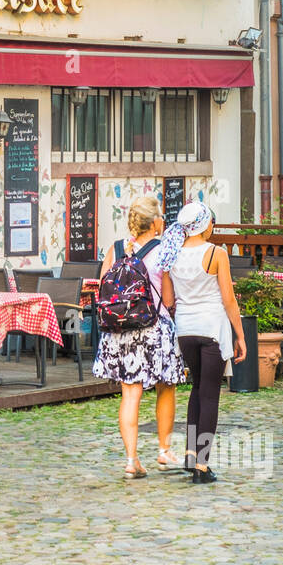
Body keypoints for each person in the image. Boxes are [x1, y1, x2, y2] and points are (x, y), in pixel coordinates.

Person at [93, 196, 185, 479]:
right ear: (156, 223)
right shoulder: (162, 252)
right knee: (166, 387)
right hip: (154, 329)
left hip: (119, 333)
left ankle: (132, 460)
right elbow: (168, 298)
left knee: (129, 394)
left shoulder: (115, 249)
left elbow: (101, 289)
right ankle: (164, 450)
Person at [156, 201, 247, 485]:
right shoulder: (216, 253)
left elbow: (169, 301)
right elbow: (229, 299)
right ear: (205, 224)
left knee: (196, 390)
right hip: (211, 329)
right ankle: (202, 466)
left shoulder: (171, 255)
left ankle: (190, 455)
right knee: (209, 396)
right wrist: (240, 335)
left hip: (186, 330)